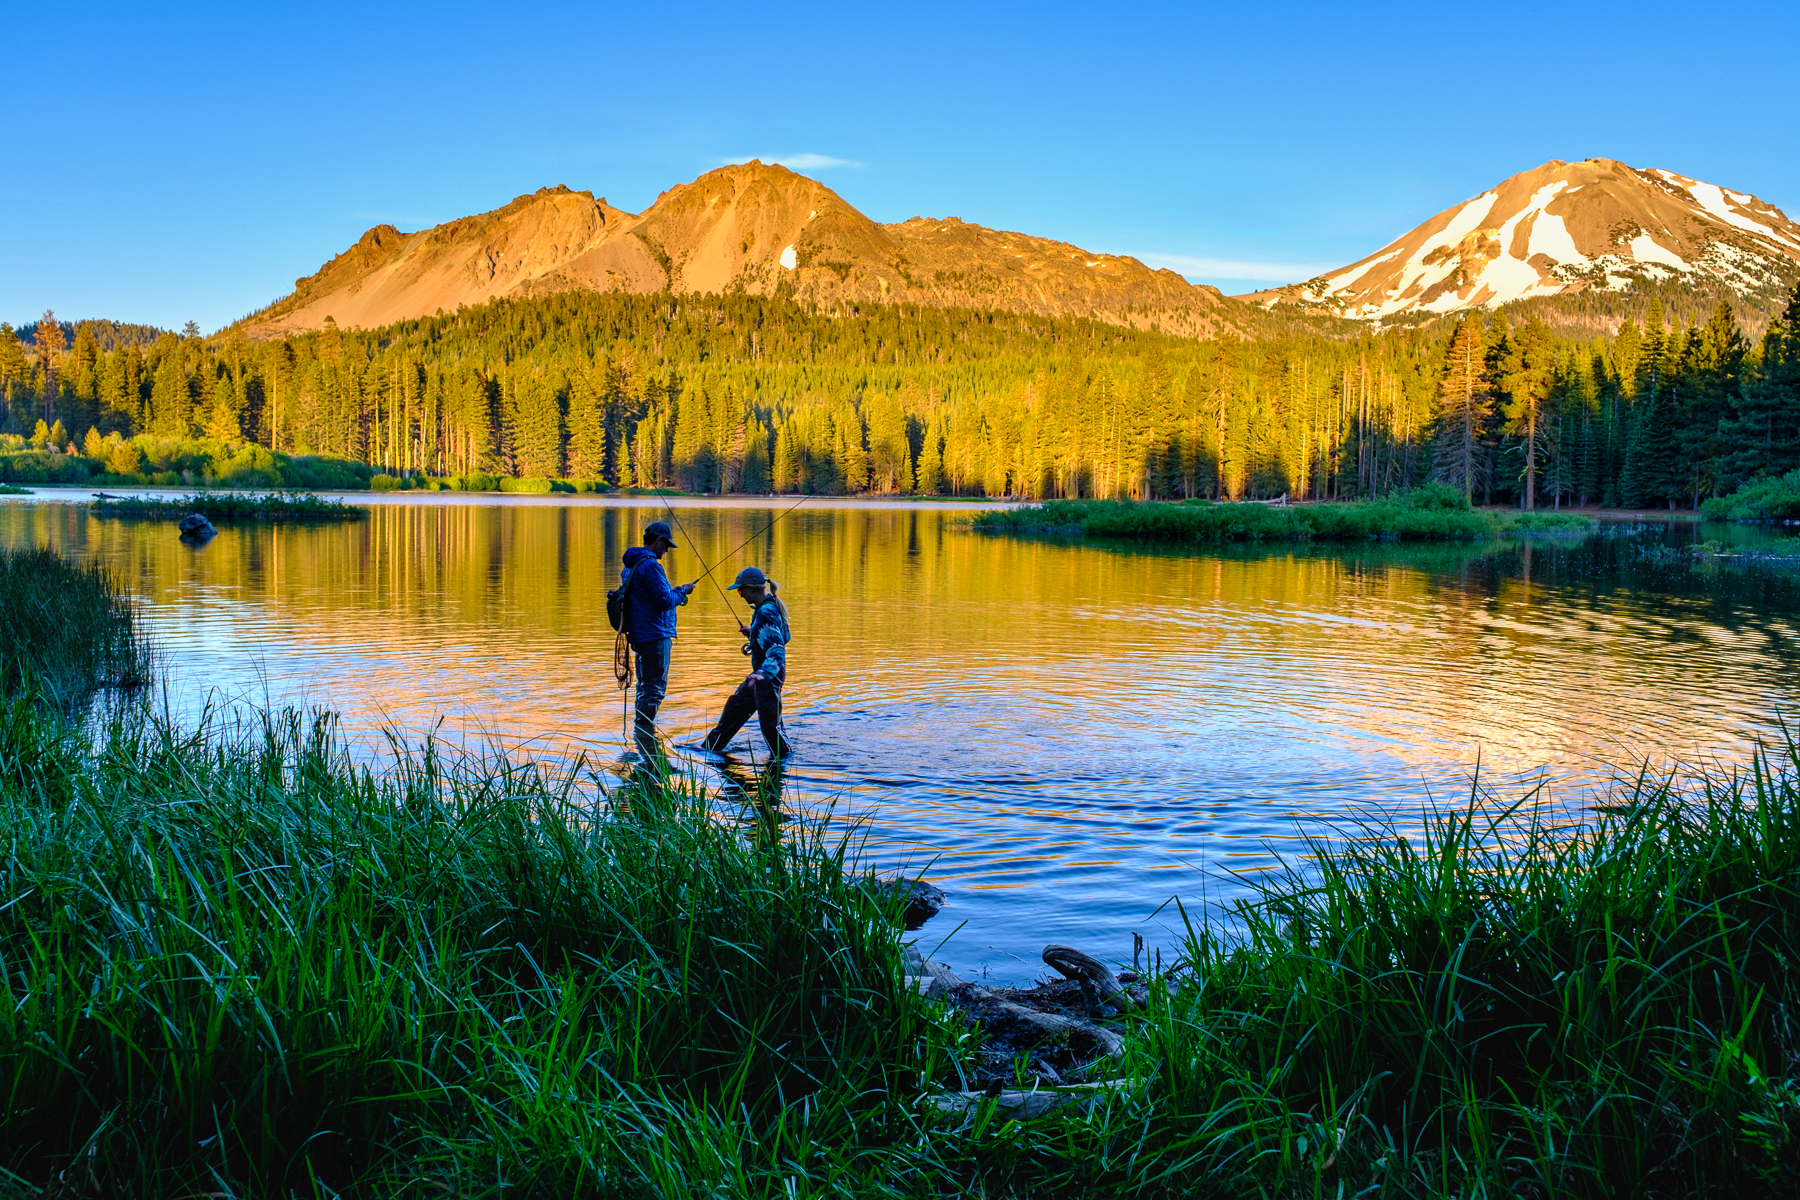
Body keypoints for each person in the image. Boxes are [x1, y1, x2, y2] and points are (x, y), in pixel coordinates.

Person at [619, 520, 695, 756]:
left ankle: (641, 734)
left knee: (645, 687)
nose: (667, 551)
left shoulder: (631, 565)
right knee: (654, 689)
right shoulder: (650, 566)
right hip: (655, 635)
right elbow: (663, 601)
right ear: (658, 540)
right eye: (667, 546)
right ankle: (646, 736)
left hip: (640, 636)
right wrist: (682, 592)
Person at [701, 566, 792, 758]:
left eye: (740, 590)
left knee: (771, 730)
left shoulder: (765, 612)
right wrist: (755, 633)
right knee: (734, 710)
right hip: (761, 679)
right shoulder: (769, 608)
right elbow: (783, 636)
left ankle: (783, 766)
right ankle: (706, 752)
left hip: (765, 679)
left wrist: (759, 675)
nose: (739, 594)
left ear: (752, 588)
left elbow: (777, 650)